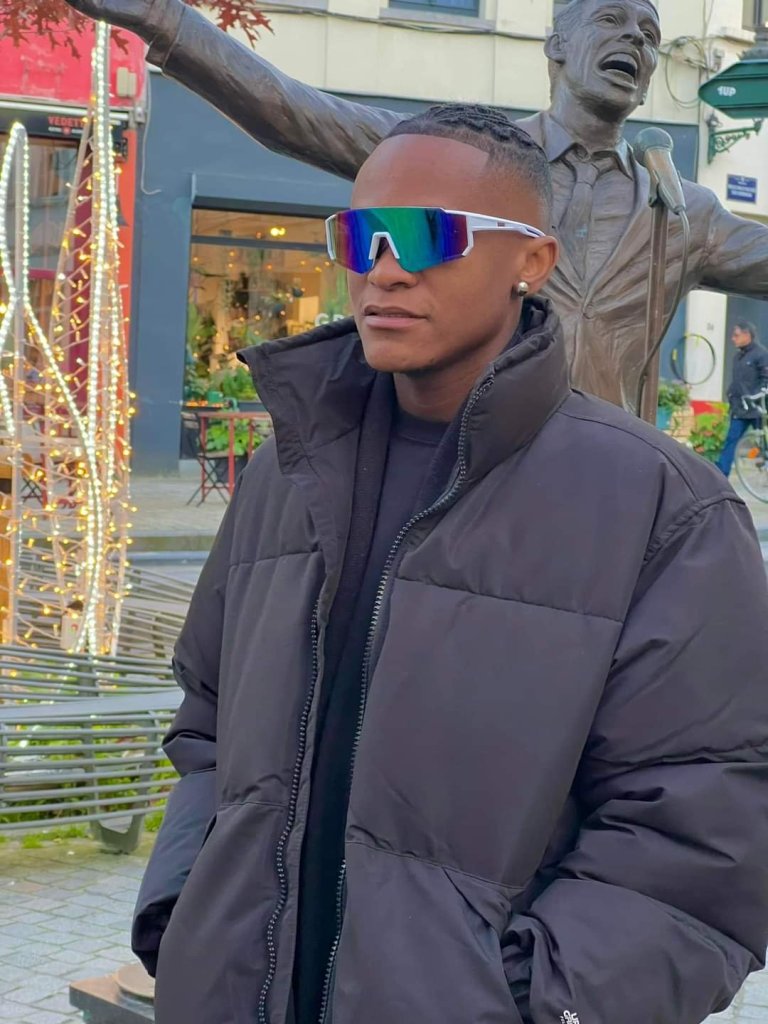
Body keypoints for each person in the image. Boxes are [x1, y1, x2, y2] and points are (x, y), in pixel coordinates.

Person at [131, 103, 768, 1024]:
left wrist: (523, 999)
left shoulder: (663, 509)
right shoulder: (286, 473)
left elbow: (703, 833)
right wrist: (184, 915)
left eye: (428, 234)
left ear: (532, 261)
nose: (385, 269)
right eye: (361, 236)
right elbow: (209, 724)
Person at [64, 0, 768, 410]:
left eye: (649, 35)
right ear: (556, 43)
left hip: (613, 494)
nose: (636, 41)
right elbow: (298, 115)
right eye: (612, 20)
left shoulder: (684, 212)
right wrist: (166, 20)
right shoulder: (467, 155)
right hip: (465, 474)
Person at [716, 319, 768, 478]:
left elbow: (765, 380)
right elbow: (737, 382)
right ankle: (720, 476)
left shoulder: (761, 355)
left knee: (764, 443)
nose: (733, 338)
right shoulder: (738, 357)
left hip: (757, 408)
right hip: (740, 409)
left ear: (747, 335)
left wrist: (757, 396)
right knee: (731, 441)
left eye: (736, 335)